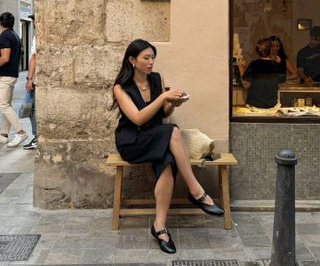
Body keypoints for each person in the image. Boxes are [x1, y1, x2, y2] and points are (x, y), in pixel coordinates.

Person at [113, 39, 223, 254]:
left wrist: (173, 103)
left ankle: (160, 227)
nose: (151, 62)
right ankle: (196, 190)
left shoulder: (156, 79)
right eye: (146, 58)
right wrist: (164, 95)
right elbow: (137, 118)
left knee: (168, 161)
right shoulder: (121, 87)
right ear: (132, 60)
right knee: (172, 130)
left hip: (156, 136)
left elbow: (162, 113)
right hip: (132, 141)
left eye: (153, 57)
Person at [0, 12, 27, 147]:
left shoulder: (4, 36)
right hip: (12, 74)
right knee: (7, 105)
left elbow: (5, 58)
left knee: (3, 105)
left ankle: (20, 131)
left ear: (1, 23)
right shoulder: (15, 35)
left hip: (5, 75)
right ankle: (4, 134)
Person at [241, 38, 282, 109]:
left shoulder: (254, 65)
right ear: (270, 50)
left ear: (257, 51)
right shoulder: (277, 65)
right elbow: (279, 84)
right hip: (272, 107)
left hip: (255, 107)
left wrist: (241, 68)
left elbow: (246, 85)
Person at [23, 14, 37, 150]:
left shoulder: (37, 37)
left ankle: (37, 136)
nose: (33, 22)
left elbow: (34, 57)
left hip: (36, 79)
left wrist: (29, 79)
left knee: (32, 109)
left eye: (34, 20)